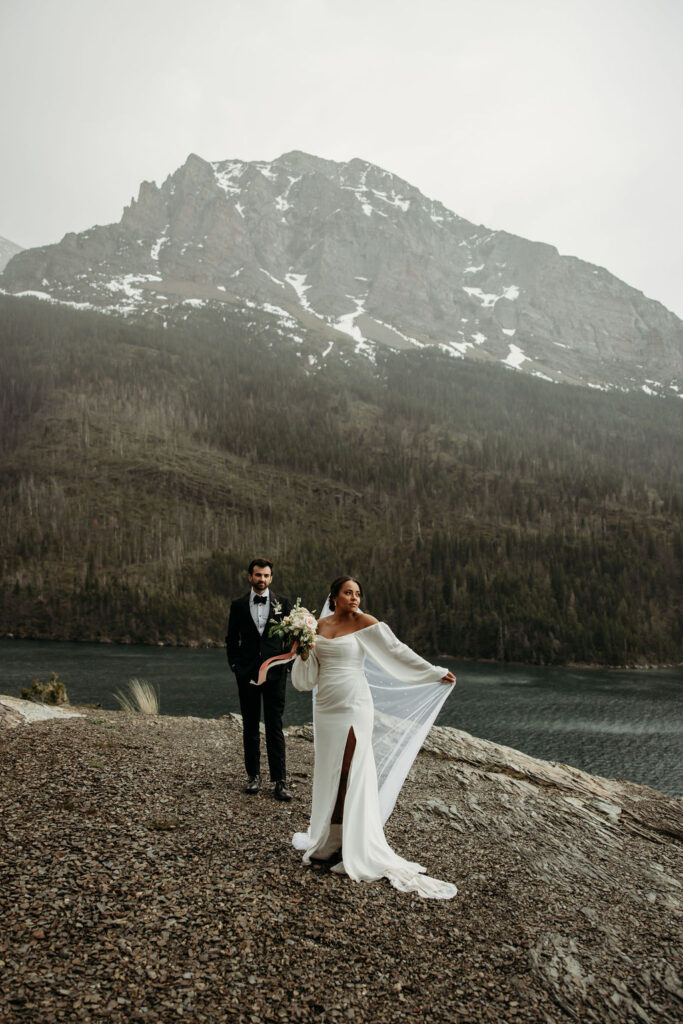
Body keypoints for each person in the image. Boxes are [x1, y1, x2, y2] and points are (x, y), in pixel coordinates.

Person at [291, 575, 457, 899]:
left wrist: (432, 672)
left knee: (351, 770)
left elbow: (398, 652)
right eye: (347, 593)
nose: (354, 598)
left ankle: (354, 843)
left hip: (355, 706)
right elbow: (307, 679)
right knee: (330, 773)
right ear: (334, 596)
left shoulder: (365, 622)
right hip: (325, 708)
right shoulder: (318, 627)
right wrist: (302, 650)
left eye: (357, 593)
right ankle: (329, 840)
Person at [226, 558, 292, 801]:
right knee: (250, 726)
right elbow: (231, 639)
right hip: (248, 674)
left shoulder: (283, 603)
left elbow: (292, 638)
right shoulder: (238, 605)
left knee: (275, 726)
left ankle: (280, 781)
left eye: (265, 575)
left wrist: (287, 665)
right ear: (249, 577)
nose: (261, 579)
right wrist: (235, 666)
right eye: (257, 575)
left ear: (271, 578)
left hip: (275, 674)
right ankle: (253, 776)